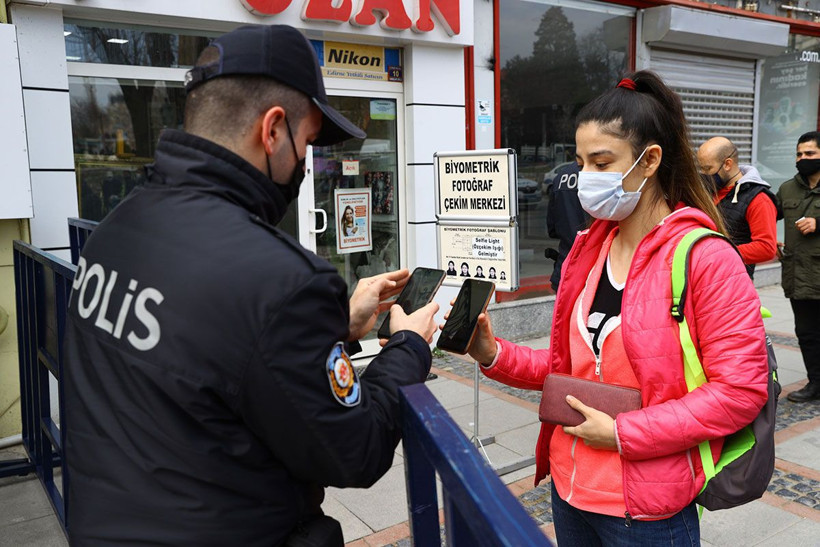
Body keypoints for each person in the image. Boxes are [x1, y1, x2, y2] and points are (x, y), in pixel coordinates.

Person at [63, 24, 439, 546]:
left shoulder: (115, 230)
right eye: (307, 142)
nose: (306, 162)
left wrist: (338, 326)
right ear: (273, 130)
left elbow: (212, 354)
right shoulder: (281, 281)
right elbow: (357, 450)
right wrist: (409, 347)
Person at [446, 71, 768, 544]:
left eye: (601, 162)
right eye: (580, 162)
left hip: (646, 512)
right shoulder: (589, 250)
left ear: (650, 159)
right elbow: (570, 371)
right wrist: (493, 354)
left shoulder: (706, 258)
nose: (585, 178)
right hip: (570, 491)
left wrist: (624, 433)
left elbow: (740, 391)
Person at [776, 130, 820, 402]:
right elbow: (765, 214)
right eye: (799, 154)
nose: (803, 158)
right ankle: (815, 384)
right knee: (807, 334)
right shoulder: (787, 188)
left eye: (810, 154)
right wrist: (770, 242)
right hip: (799, 277)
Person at [696, 136, 777, 278]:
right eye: (701, 168)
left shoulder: (758, 199)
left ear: (727, 164)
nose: (704, 174)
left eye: (708, 168)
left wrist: (719, 253)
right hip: (704, 277)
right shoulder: (708, 191)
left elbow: (766, 248)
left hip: (733, 281)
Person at [546, 160, 589, 291]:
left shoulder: (561, 176)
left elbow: (552, 228)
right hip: (594, 273)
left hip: (564, 271)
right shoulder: (603, 174)